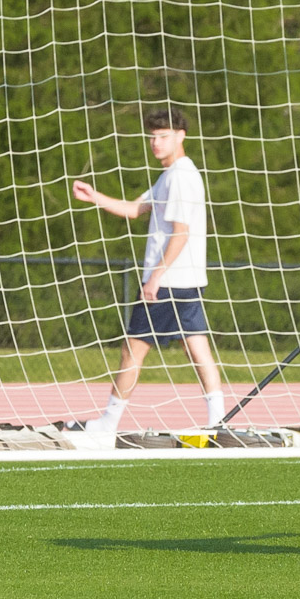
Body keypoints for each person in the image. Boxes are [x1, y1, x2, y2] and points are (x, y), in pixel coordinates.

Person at [68, 107, 224, 432]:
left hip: (168, 281)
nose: (156, 142)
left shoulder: (181, 177)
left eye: (163, 136)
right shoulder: (171, 175)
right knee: (195, 345)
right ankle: (218, 419)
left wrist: (155, 277)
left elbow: (181, 233)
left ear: (181, 136)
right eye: (152, 136)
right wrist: (95, 196)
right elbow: (136, 209)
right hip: (187, 279)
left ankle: (108, 423)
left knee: (133, 349)